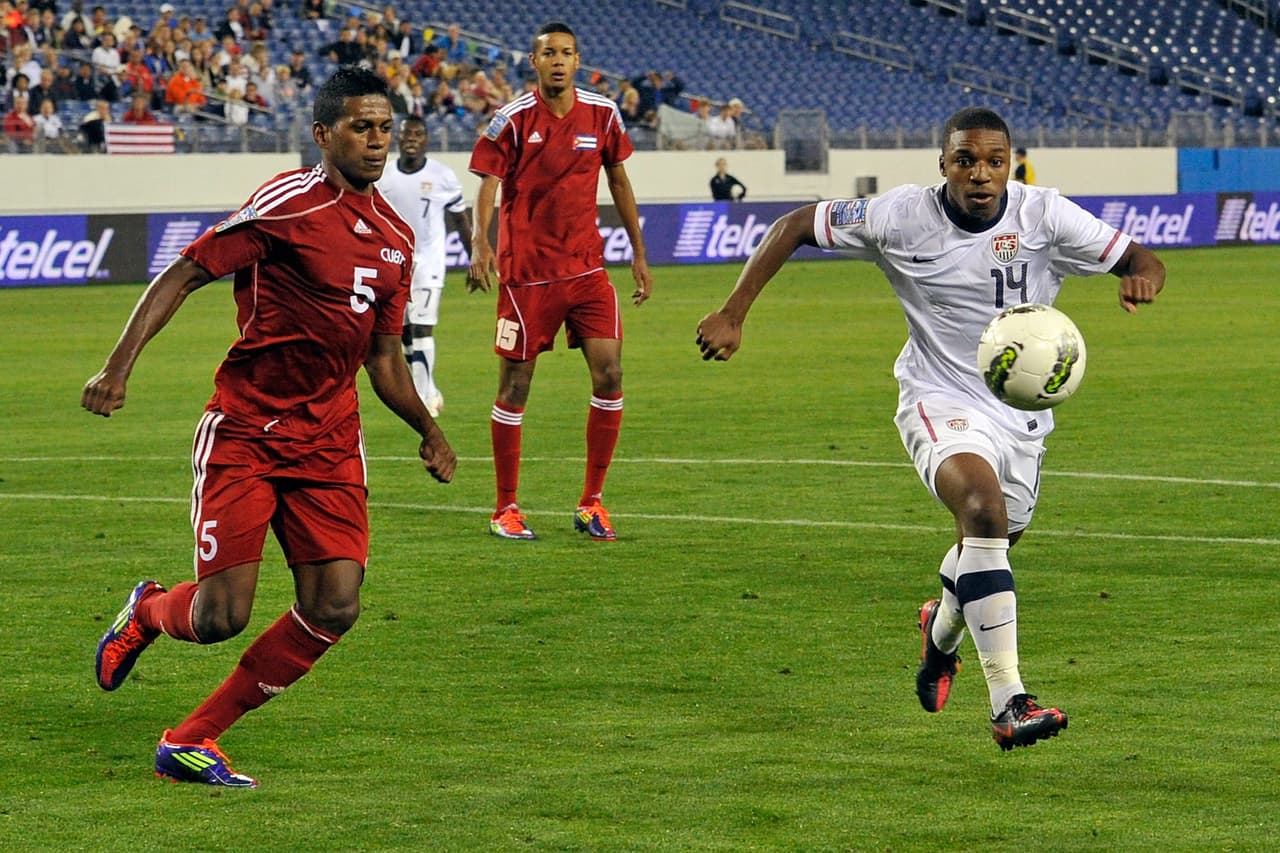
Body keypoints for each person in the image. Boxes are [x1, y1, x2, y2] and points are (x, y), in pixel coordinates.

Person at [695, 107, 1165, 750]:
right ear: (942, 164)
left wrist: (1142, 279)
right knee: (982, 511)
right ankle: (1010, 702)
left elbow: (1141, 256)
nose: (980, 174)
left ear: (1011, 164)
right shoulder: (899, 216)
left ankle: (940, 633)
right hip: (939, 394)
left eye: (994, 161)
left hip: (1020, 410)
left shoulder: (1046, 214)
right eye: (965, 160)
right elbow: (796, 224)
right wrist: (733, 312)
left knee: (992, 544)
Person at [83, 65, 457, 788]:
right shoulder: (287, 205)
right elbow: (185, 273)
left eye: (384, 128)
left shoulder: (395, 239)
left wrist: (426, 429)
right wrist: (117, 367)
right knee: (222, 614)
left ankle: (190, 739)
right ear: (323, 134)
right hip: (247, 430)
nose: (376, 142)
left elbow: (382, 358)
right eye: (360, 127)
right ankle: (149, 610)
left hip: (329, 439)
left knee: (335, 605)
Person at [466, 20, 652, 541]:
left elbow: (618, 178)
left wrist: (638, 252)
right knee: (516, 387)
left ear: (577, 60)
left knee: (610, 375)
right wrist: (481, 242)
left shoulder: (603, 113)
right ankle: (506, 507)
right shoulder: (513, 120)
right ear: (534, 61)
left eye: (566, 53)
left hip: (588, 270)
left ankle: (592, 503)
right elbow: (487, 183)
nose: (558, 61)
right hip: (527, 278)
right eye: (548, 53)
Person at [376, 115, 473, 416]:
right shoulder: (384, 176)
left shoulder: (442, 176)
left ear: (426, 139)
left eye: (417, 134)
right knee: (403, 333)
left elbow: (459, 219)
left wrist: (475, 258)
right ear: (398, 138)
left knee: (421, 329)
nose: (411, 139)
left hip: (429, 262)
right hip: (394, 263)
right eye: (406, 134)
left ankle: (420, 397)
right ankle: (429, 389)